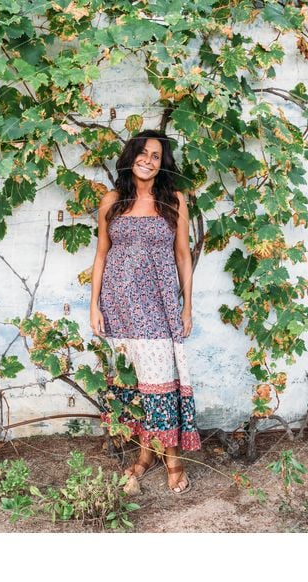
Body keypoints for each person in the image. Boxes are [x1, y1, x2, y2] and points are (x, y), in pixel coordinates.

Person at [89, 129, 201, 494]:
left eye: (156, 155)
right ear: (131, 155)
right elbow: (102, 254)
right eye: (143, 152)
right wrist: (94, 305)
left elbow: (183, 255)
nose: (149, 160)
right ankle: (144, 455)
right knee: (134, 385)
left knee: (159, 384)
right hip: (119, 307)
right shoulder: (112, 201)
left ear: (161, 163)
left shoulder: (174, 201)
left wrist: (187, 305)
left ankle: (173, 460)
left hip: (158, 305)